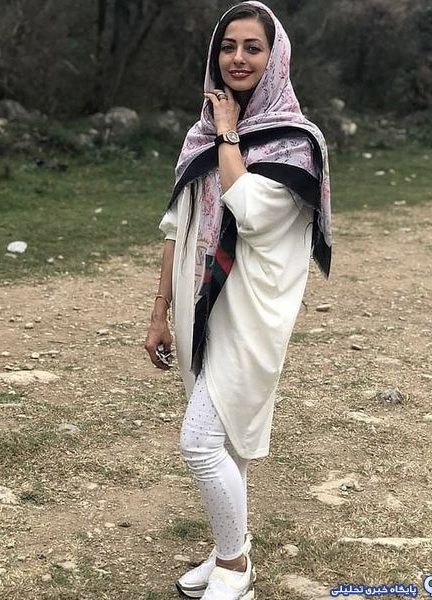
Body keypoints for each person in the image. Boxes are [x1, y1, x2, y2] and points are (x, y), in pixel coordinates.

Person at [144, 2, 331, 598]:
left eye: (253, 47)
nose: (238, 58)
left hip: (249, 309)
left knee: (200, 442)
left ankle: (235, 566)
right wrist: (159, 312)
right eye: (228, 46)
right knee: (223, 439)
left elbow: (247, 209)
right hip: (199, 305)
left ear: (275, 58)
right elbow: (177, 225)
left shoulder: (296, 141)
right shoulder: (200, 133)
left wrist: (230, 134)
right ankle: (228, 547)